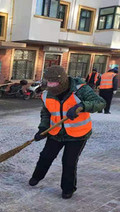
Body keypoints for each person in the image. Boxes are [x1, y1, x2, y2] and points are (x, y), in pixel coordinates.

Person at [29, 66, 106, 199]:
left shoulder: (80, 90)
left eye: (55, 84)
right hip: (56, 132)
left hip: (78, 134)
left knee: (69, 161)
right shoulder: (47, 93)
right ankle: (37, 176)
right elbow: (46, 113)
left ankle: (68, 188)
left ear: (63, 81)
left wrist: (82, 106)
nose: (52, 87)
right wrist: (42, 128)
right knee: (46, 156)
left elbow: (100, 102)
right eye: (50, 84)